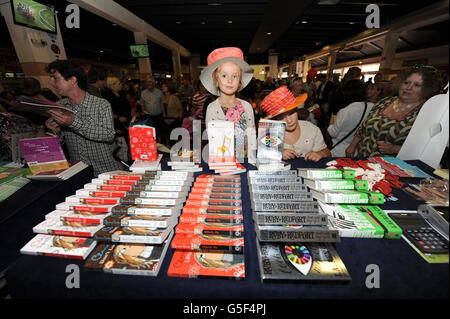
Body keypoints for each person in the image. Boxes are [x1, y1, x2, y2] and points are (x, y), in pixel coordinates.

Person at [44, 60, 122, 176]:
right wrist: (55, 132)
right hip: (78, 171)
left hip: (105, 171)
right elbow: (62, 142)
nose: (51, 82)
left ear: (73, 80)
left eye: (55, 78)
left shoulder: (100, 104)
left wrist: (72, 122)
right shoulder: (60, 106)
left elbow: (108, 134)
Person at [345, 65, 441, 157]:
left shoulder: (425, 113)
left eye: (416, 85)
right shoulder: (385, 102)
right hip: (362, 159)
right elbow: (364, 126)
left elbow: (426, 147)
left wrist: (396, 149)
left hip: (391, 167)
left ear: (426, 89)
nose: (409, 87)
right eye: (406, 83)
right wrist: (352, 145)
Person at [201, 47, 255, 159]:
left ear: (239, 81)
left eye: (234, 76)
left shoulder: (247, 106)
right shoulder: (212, 108)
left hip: (246, 160)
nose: (229, 80)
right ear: (216, 80)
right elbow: (214, 141)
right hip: (223, 162)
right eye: (224, 75)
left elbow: (252, 137)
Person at [260, 85, 330, 162]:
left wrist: (320, 153)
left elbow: (328, 153)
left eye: (291, 113)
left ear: (297, 110)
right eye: (282, 117)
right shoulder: (269, 132)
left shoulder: (311, 129)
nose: (289, 120)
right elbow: (260, 156)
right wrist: (276, 153)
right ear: (275, 119)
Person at [327, 80, 374, 157]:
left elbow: (333, 133)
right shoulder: (371, 106)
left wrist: (331, 123)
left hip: (340, 151)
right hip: (360, 149)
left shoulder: (345, 111)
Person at [161, 81, 183, 146]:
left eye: (164, 86)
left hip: (174, 120)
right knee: (170, 139)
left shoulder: (174, 97)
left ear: (168, 88)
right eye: (162, 86)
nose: (162, 88)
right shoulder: (163, 98)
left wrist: (179, 118)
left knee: (177, 137)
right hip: (166, 121)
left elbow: (180, 108)